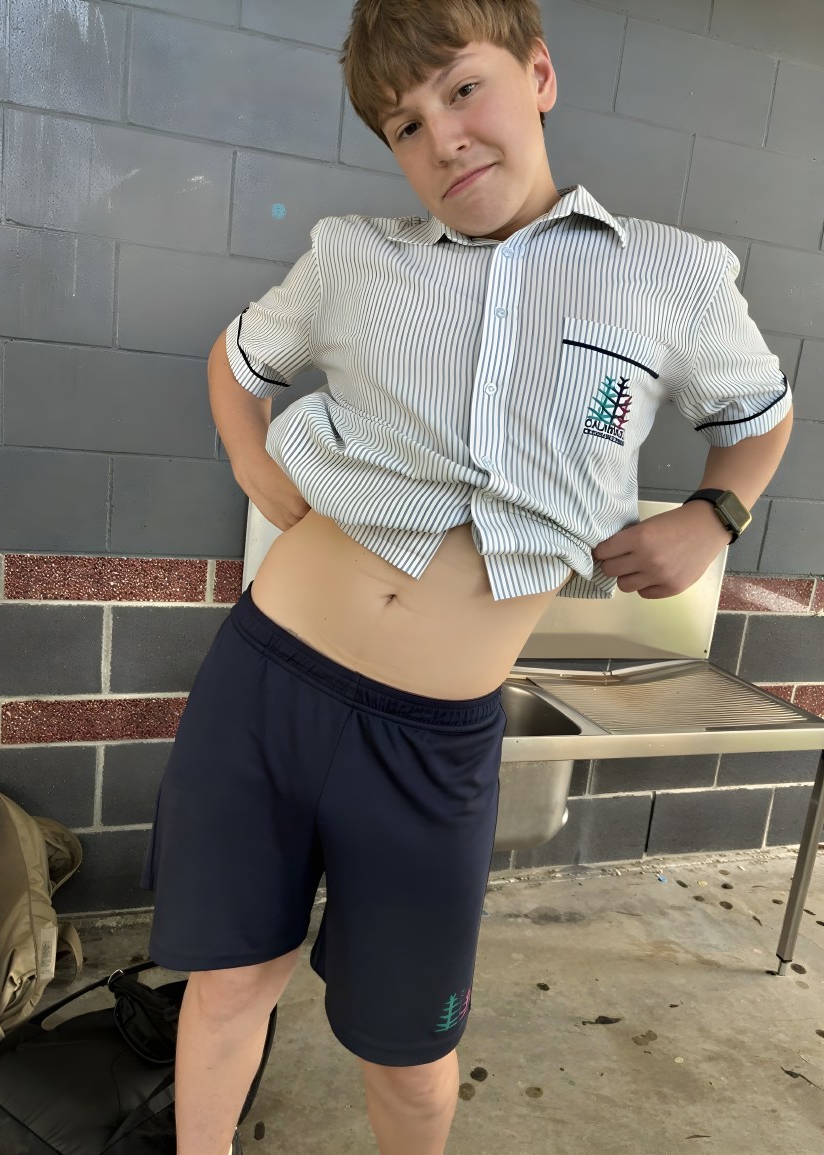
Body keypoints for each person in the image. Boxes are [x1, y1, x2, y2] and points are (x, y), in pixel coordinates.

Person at [140, 1, 793, 1151]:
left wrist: (713, 514)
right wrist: (249, 454)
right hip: (265, 688)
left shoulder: (669, 277)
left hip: (431, 738)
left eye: (460, 89)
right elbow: (232, 361)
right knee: (231, 985)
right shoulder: (353, 260)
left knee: (411, 1059)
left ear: (538, 74)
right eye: (401, 123)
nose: (439, 136)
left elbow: (758, 417)